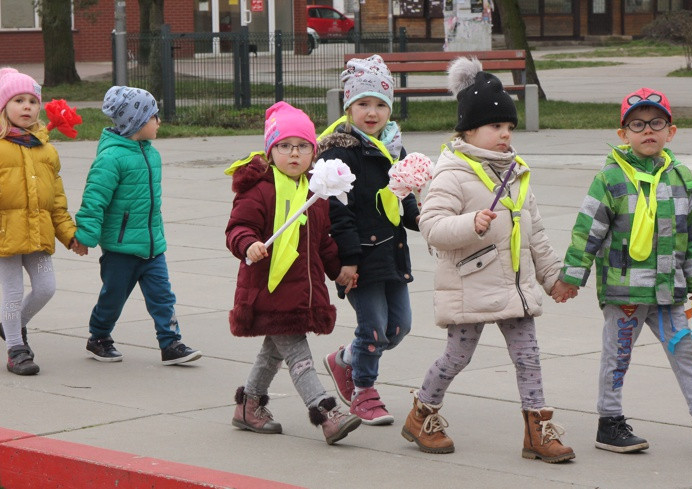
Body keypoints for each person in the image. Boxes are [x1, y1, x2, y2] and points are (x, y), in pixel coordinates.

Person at [400, 57, 575, 462]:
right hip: (470, 283)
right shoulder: (452, 172)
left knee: (528, 357)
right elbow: (432, 226)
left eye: (509, 127)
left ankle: (537, 430)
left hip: (514, 284)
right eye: (495, 126)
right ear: (468, 130)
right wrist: (470, 224)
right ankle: (422, 412)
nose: (505, 135)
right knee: (457, 356)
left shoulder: (515, 171)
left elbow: (536, 233)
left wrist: (552, 279)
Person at [559, 87, 692, 453]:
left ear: (671, 131)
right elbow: (588, 230)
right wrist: (572, 277)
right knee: (617, 356)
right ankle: (609, 423)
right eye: (637, 125)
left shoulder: (681, 178)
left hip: (669, 290)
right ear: (623, 135)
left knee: (685, 353)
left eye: (656, 123)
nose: (647, 131)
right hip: (625, 291)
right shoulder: (610, 179)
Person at [224, 101, 361, 445]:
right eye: (284, 146)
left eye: (302, 146)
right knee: (298, 354)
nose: (294, 154)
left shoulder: (315, 195)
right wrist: (248, 244)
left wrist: (338, 270)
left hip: (301, 290)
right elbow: (238, 227)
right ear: (271, 152)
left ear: (313, 152)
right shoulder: (259, 189)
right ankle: (326, 412)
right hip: (269, 287)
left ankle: (248, 405)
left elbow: (323, 242)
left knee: (274, 350)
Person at [318, 55, 420, 426]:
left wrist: (422, 217)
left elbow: (404, 195)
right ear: (348, 107)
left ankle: (345, 358)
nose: (372, 112)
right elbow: (336, 212)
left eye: (380, 104)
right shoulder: (338, 152)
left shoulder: (394, 148)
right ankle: (363, 389)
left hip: (392, 254)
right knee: (374, 330)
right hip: (359, 259)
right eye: (362, 104)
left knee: (398, 328)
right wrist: (347, 259)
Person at [0, 67, 85, 375]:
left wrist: (69, 234)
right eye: (18, 100)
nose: (27, 107)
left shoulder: (46, 150)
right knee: (13, 291)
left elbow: (55, 201)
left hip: (37, 232)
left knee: (46, 287)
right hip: (2, 233)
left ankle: (12, 326)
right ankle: (15, 349)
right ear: (3, 106)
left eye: (32, 101)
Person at [73, 86, 201, 366]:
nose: (159, 122)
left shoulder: (151, 155)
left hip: (153, 245)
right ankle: (99, 337)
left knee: (163, 296)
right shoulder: (111, 159)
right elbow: (94, 199)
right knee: (113, 297)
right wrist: (85, 235)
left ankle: (171, 343)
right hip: (121, 248)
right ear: (137, 122)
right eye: (155, 116)